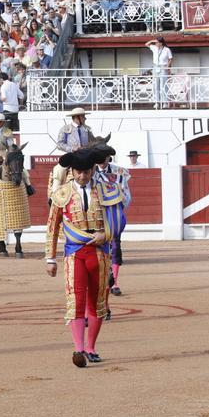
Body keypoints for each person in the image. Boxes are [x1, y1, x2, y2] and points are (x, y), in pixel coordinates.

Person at [45, 148, 126, 368]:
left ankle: (91, 348)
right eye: (78, 172)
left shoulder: (108, 190)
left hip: (100, 254)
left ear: (92, 170)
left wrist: (105, 235)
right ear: (72, 171)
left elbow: (119, 221)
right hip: (74, 253)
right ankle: (78, 349)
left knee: (97, 303)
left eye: (86, 172)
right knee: (76, 301)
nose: (82, 176)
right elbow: (52, 227)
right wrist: (50, 258)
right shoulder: (61, 193)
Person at [92, 145, 131, 298]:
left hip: (113, 214)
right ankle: (100, 282)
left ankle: (114, 283)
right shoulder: (90, 172)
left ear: (109, 157)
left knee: (115, 247)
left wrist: (118, 208)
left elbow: (126, 194)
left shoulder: (119, 172)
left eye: (105, 157)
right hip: (96, 215)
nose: (102, 161)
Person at [146, 37, 172, 108]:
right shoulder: (154, 48)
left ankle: (165, 103)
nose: (156, 43)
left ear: (161, 43)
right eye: (155, 42)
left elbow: (170, 59)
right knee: (156, 86)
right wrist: (152, 40)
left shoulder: (167, 50)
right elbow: (146, 44)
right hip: (156, 67)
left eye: (157, 42)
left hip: (163, 67)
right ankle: (157, 102)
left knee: (164, 85)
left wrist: (168, 67)